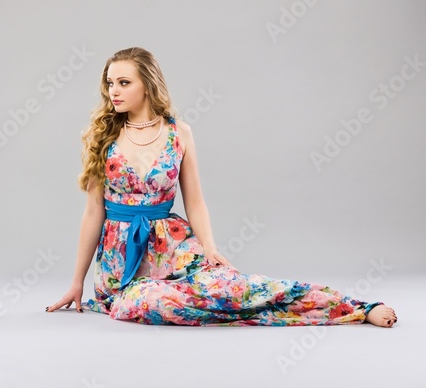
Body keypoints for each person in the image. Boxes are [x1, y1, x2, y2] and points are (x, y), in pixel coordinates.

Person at [46, 47, 397, 327]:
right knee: (152, 302)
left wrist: (210, 247)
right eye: (110, 83)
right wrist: (77, 282)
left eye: (124, 82)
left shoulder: (178, 132)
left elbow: (194, 201)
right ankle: (211, 308)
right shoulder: (103, 136)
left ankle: (353, 307)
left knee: (235, 290)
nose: (114, 91)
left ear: (148, 84)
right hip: (121, 264)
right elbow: (94, 212)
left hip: (172, 246)